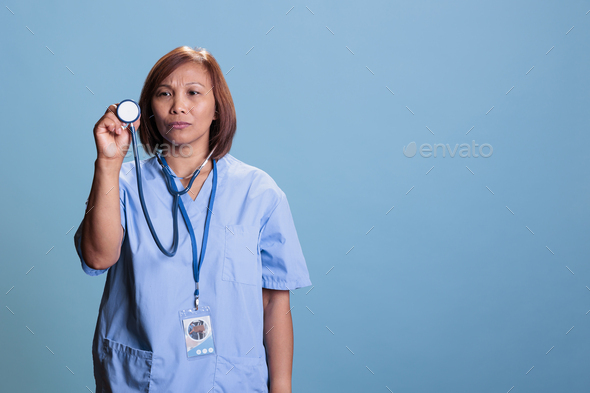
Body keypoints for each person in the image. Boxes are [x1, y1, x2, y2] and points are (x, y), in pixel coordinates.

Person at [73, 45, 312, 392]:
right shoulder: (122, 182)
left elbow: (276, 302)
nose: (178, 106)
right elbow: (97, 257)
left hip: (231, 379)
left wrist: (283, 388)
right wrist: (108, 163)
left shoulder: (259, 193)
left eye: (193, 93)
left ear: (217, 109)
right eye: (164, 93)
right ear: (149, 110)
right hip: (142, 378)